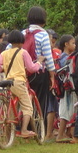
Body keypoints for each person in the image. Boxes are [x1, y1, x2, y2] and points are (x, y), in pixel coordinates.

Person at [0, 30, 44, 139]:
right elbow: (31, 68)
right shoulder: (23, 52)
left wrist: (3, 69)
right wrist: (39, 63)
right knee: (27, 107)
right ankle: (24, 130)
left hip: (8, 82)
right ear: (22, 42)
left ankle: (8, 133)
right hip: (19, 82)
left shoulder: (4, 53)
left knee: (11, 106)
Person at [21, 7, 56, 136]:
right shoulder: (43, 34)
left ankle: (23, 128)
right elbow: (48, 56)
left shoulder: (23, 33)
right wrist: (52, 75)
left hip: (23, 72)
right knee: (39, 102)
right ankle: (38, 130)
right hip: (39, 73)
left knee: (24, 100)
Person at [55, 35, 77, 143]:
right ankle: (60, 135)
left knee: (68, 110)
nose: (75, 45)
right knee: (65, 110)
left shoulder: (63, 57)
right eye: (73, 43)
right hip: (66, 88)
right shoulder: (65, 58)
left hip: (64, 87)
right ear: (66, 44)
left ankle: (65, 133)